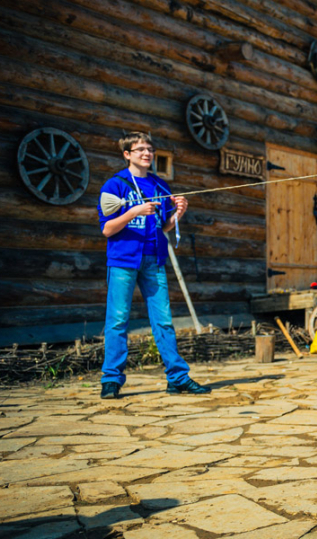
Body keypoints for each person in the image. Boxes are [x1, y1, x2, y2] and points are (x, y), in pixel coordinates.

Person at [96, 132, 211, 399]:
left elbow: (165, 227)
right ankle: (111, 380)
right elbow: (107, 230)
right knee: (117, 321)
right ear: (127, 154)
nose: (146, 154)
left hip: (154, 259)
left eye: (149, 149)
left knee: (163, 321)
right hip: (123, 260)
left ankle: (177, 378)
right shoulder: (115, 185)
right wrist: (134, 211)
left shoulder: (160, 187)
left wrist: (178, 213)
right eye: (139, 150)